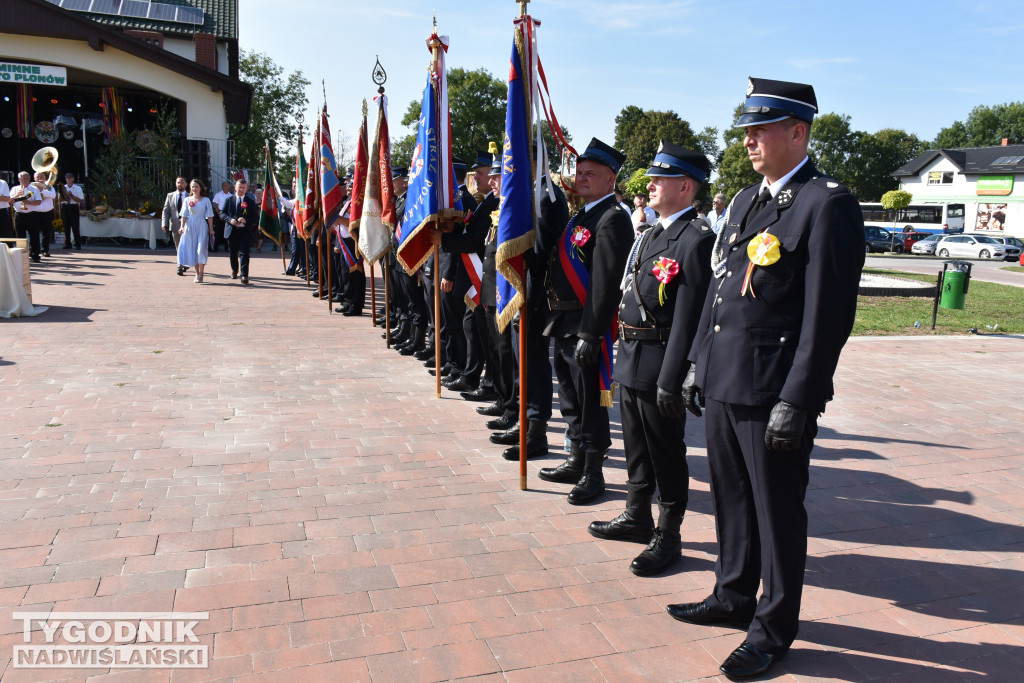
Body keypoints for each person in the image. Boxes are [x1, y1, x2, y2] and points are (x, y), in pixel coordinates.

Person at [669, 77, 865, 680]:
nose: (749, 141)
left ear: (797, 132)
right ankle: (732, 594)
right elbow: (719, 291)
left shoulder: (824, 202)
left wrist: (798, 399)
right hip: (727, 379)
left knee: (776, 512)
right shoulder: (745, 202)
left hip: (773, 389)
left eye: (760, 130)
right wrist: (698, 359)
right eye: (747, 131)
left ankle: (774, 627)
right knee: (731, 500)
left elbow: (826, 317)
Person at [588, 141, 715, 576]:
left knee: (666, 451)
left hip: (661, 360)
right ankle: (637, 513)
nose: (651, 185)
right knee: (637, 447)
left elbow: (690, 316)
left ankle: (669, 532)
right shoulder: (651, 234)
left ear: (685, 186)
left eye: (660, 179)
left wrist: (673, 375)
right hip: (632, 356)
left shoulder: (696, 240)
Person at [538, 138, 634, 505]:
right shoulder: (582, 216)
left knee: (592, 402)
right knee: (571, 398)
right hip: (563, 321)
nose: (582, 178)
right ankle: (575, 460)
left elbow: (606, 283)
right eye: (579, 172)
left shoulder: (613, 218)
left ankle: (594, 472)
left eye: (591, 173)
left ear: (611, 180)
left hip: (585, 327)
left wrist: (591, 333)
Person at [220, 179, 259, 285]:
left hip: (245, 231)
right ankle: (234, 270)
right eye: (239, 187)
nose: (241, 189)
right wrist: (230, 220)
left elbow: (256, 217)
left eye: (243, 188)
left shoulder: (250, 202)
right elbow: (222, 213)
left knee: (244, 253)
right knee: (233, 253)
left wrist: (246, 220)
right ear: (235, 187)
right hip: (232, 230)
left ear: (246, 189)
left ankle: (244, 275)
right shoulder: (229, 200)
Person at [177, 179, 215, 283]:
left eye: (196, 186)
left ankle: (202, 273)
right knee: (193, 250)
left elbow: (210, 216)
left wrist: (211, 229)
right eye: (193, 186)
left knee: (200, 250)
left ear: (201, 188)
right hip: (190, 226)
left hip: (201, 225)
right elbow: (184, 215)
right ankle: (197, 273)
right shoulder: (187, 200)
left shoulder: (206, 200)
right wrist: (181, 227)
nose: (194, 189)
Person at [11, 172, 42, 262]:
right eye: (24, 179)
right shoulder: (15, 189)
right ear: (19, 179)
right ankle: (21, 255)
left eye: (28, 178)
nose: (27, 180)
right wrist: (17, 195)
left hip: (31, 214)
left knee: (34, 235)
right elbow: (9, 201)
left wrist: (28, 202)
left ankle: (35, 255)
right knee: (20, 236)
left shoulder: (34, 188)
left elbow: (39, 201)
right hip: (19, 214)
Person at [162, 177, 189, 274]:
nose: (179, 184)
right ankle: (180, 265)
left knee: (186, 245)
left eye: (181, 182)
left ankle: (185, 263)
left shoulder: (190, 196)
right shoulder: (170, 196)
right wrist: (164, 223)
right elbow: (166, 211)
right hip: (174, 224)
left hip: (187, 225)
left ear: (186, 184)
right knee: (178, 246)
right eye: (178, 182)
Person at [31, 173, 57, 257]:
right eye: (38, 177)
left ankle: (45, 250)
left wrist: (42, 190)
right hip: (35, 213)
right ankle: (34, 250)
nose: (40, 178)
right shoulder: (31, 187)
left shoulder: (49, 187)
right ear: (34, 178)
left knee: (46, 233)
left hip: (47, 213)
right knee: (34, 233)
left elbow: (53, 196)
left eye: (42, 177)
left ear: (45, 178)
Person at [59, 172, 85, 250]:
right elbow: (60, 199)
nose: (68, 179)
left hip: (74, 207)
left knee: (75, 226)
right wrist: (65, 195)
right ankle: (68, 244)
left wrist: (71, 195)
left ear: (73, 179)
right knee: (66, 226)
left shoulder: (77, 188)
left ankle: (78, 244)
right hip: (65, 207)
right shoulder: (63, 187)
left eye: (70, 178)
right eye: (67, 178)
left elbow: (79, 200)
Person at [211, 181, 234, 252]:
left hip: (227, 215)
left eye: (226, 185)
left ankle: (227, 248)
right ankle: (215, 248)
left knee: (226, 231)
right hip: (219, 214)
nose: (225, 187)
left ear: (229, 187)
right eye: (223, 185)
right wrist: (220, 214)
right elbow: (216, 205)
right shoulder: (218, 195)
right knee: (218, 231)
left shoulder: (231, 196)